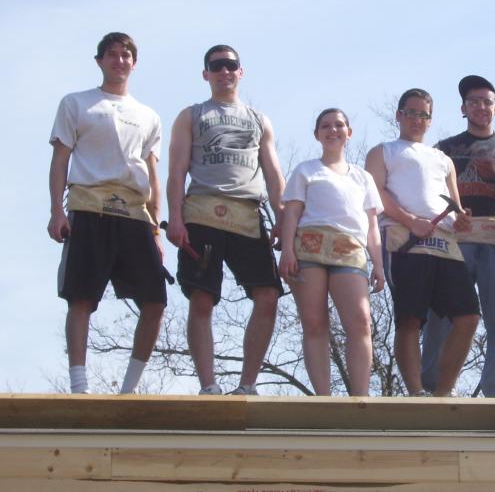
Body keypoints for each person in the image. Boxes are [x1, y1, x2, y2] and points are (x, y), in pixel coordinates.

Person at [48, 32, 166, 394]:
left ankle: (129, 389)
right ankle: (79, 385)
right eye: (112, 55)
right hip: (89, 207)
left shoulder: (148, 116)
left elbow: (151, 172)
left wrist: (156, 229)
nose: (119, 60)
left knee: (156, 301)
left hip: (134, 214)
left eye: (126, 55)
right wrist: (56, 211)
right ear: (99, 61)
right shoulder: (77, 103)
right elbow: (60, 160)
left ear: (134, 63)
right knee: (81, 297)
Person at [166, 44, 285, 395]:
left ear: (241, 71)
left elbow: (274, 174)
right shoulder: (191, 115)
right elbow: (176, 171)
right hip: (202, 211)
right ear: (206, 74)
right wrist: (174, 218)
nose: (224, 71)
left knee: (267, 295)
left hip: (248, 213)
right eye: (216, 66)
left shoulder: (259, 119)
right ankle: (208, 385)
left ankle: (247, 384)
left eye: (230, 65)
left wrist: (283, 219)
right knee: (201, 299)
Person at [365, 88, 480, 397]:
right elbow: (374, 194)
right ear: (399, 115)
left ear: (431, 120)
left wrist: (462, 221)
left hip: (445, 242)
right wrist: (408, 219)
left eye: (424, 114)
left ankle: (443, 393)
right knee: (410, 318)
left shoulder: (443, 160)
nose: (417, 119)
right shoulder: (383, 151)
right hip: (405, 240)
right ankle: (416, 392)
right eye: (412, 113)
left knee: (468, 316)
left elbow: (455, 209)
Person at [421, 75, 495, 397]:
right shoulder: (444, 149)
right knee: (442, 316)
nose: (481, 107)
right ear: (463, 109)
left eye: (487, 102)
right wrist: (450, 217)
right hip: (455, 240)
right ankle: (434, 389)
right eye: (474, 102)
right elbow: (429, 193)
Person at [279, 108, 384, 396]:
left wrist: (379, 265)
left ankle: (361, 397)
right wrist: (287, 250)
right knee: (314, 322)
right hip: (310, 248)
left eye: (339, 125)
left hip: (350, 250)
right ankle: (323, 398)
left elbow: (372, 226)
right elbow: (292, 213)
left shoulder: (363, 178)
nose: (332, 130)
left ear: (349, 132)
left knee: (361, 321)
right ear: (317, 134)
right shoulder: (305, 170)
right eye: (325, 125)